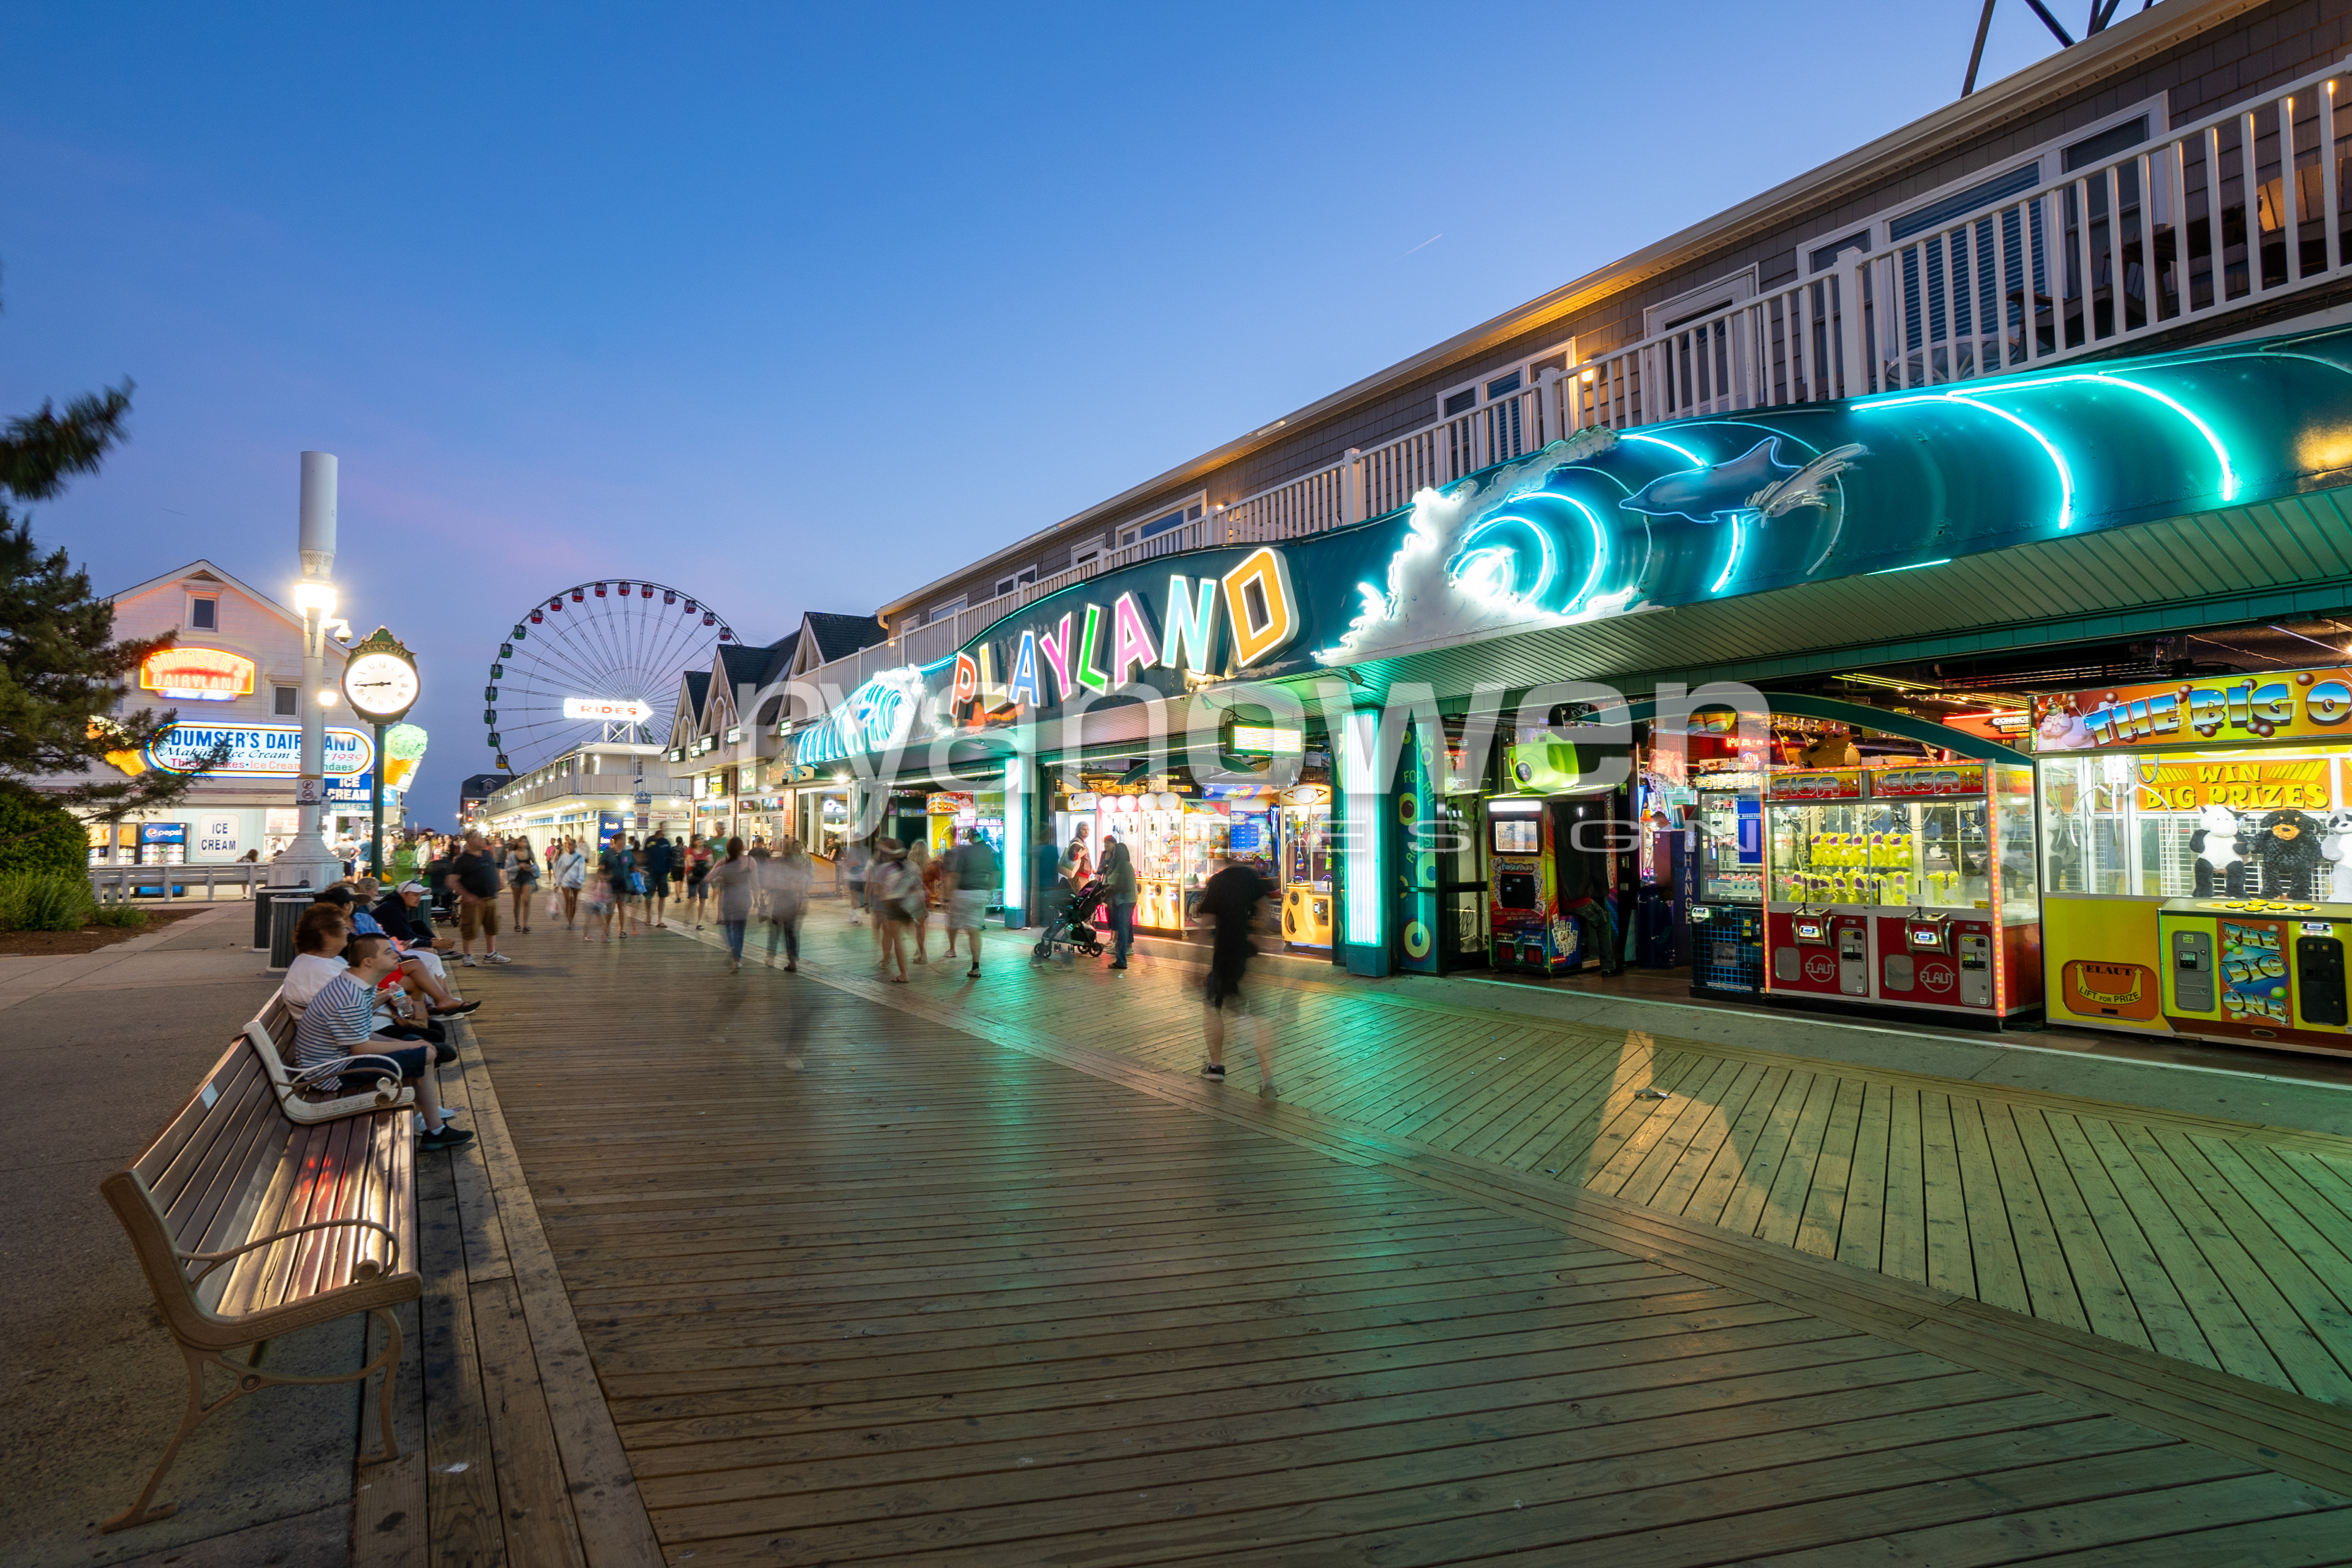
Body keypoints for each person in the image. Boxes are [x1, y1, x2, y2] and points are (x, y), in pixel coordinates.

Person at [292, 929, 472, 1151]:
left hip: (338, 1060)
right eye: (388, 952)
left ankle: (432, 1125)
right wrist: (413, 1047)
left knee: (419, 1046)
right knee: (423, 1051)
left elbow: (362, 1035)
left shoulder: (356, 985)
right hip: (331, 1074)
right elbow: (360, 1048)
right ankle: (435, 1130)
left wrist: (411, 1042)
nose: (396, 955)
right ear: (368, 962)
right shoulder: (350, 996)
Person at [1192, 851, 1279, 1098]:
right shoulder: (1251, 877)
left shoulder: (1218, 882)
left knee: (1213, 1008)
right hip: (1248, 954)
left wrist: (1194, 965)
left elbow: (1205, 925)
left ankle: (1216, 1066)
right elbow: (1264, 908)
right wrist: (1259, 937)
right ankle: (1267, 1078)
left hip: (1225, 953)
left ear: (1224, 860)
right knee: (1258, 1015)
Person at [446, 831, 511, 965]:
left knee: (492, 927)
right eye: (477, 838)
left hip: (491, 897)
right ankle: (468, 956)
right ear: (469, 841)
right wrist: (467, 895)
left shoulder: (487, 854)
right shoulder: (463, 860)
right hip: (474, 901)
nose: (481, 840)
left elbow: (493, 870)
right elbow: (452, 881)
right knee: (470, 928)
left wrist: (498, 882)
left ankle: (491, 954)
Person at [943, 827, 998, 980]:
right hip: (980, 894)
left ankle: (952, 949)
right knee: (974, 931)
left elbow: (954, 875)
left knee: (953, 922)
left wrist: (947, 897)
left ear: (971, 838)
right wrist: (989, 889)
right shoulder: (989, 852)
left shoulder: (964, 852)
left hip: (962, 894)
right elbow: (996, 873)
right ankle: (976, 966)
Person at [868, 839, 919, 982]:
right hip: (909, 905)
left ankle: (904, 974)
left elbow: (879, 891)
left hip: (893, 905)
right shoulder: (912, 866)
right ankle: (920, 950)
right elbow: (916, 887)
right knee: (907, 934)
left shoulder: (882, 869)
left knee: (898, 940)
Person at [763, 835, 813, 971]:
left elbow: (767, 882)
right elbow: (804, 881)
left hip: (778, 900)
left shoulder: (776, 863)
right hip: (793, 900)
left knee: (775, 930)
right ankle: (792, 961)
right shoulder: (797, 866)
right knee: (790, 931)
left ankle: (771, 957)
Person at [708, 835, 758, 973]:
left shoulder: (724, 861)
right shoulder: (750, 861)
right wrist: (758, 900)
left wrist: (721, 879)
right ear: (742, 847)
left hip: (729, 898)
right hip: (744, 898)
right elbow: (755, 882)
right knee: (740, 929)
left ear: (728, 848)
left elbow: (710, 877)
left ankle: (734, 953)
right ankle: (738, 959)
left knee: (729, 928)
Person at [1100, 831, 1138, 971]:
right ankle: (1122, 956)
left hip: (1124, 900)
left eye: (1115, 850)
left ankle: (1121, 960)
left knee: (1122, 928)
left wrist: (1105, 882)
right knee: (1125, 927)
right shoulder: (1127, 864)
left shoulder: (1122, 865)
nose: (1114, 853)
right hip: (1130, 899)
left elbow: (1113, 880)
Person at [906, 840, 935, 964]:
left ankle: (921, 951)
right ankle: (921, 950)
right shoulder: (930, 865)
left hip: (911, 897)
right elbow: (933, 884)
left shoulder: (909, 864)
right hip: (925, 897)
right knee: (921, 926)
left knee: (910, 926)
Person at [550, 837, 587, 927]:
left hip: (576, 882)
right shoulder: (563, 857)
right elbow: (560, 871)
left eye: (573, 845)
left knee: (574, 901)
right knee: (568, 901)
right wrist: (558, 883)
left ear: (575, 846)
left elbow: (582, 870)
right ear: (567, 846)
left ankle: (572, 919)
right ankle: (569, 921)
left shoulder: (580, 858)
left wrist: (580, 880)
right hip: (565, 881)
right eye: (569, 845)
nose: (571, 847)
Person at [645, 830, 675, 928]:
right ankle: (648, 915)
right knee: (649, 895)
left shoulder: (666, 842)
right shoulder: (650, 840)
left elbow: (670, 856)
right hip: (651, 872)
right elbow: (645, 855)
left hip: (663, 873)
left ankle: (660, 919)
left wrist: (669, 870)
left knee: (662, 896)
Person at [840, 835, 872, 925]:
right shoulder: (849, 850)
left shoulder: (865, 850)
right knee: (855, 895)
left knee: (858, 895)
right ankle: (855, 914)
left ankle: (854, 913)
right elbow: (845, 863)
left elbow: (868, 862)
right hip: (852, 876)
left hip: (862, 876)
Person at [686, 835, 714, 929]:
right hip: (693, 876)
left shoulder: (707, 851)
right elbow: (690, 863)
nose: (701, 841)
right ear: (694, 841)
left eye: (702, 839)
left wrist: (698, 862)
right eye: (698, 839)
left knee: (703, 898)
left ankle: (699, 922)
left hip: (704, 876)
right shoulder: (690, 850)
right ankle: (688, 917)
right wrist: (704, 861)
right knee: (692, 898)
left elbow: (711, 862)